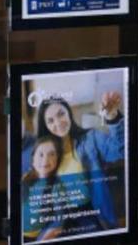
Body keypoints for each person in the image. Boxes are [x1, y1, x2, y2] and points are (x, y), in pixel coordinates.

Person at [20, 92, 125, 233]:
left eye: (61, 114)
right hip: (56, 224)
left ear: (68, 112)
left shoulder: (90, 140)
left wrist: (112, 116)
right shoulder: (42, 153)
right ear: (45, 126)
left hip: (93, 218)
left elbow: (120, 149)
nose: (58, 122)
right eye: (50, 121)